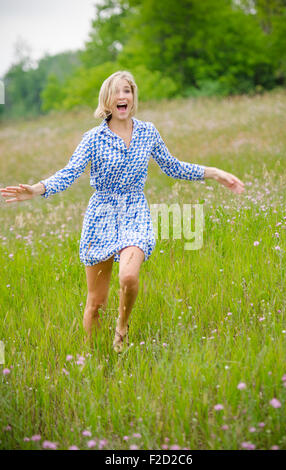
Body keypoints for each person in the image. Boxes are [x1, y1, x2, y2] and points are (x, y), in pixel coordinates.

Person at [0, 70, 245, 353]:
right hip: (101, 215)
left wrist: (214, 173)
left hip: (134, 211)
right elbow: (69, 173)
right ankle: (92, 359)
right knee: (96, 304)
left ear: (133, 97)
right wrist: (37, 189)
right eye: (116, 92)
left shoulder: (148, 132)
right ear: (107, 99)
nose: (122, 96)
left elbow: (173, 166)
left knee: (128, 276)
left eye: (127, 90)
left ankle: (122, 325)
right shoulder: (92, 138)